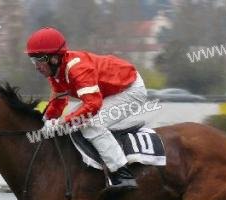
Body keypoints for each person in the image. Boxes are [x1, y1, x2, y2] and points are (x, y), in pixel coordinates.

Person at [25, 26, 145, 191]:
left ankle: (123, 174)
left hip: (131, 90)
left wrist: (61, 124)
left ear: (54, 58)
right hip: (109, 91)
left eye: (39, 59)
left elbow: (92, 106)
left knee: (91, 124)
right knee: (74, 122)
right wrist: (44, 122)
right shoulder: (55, 74)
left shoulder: (78, 69)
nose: (36, 66)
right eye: (33, 60)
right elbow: (58, 103)